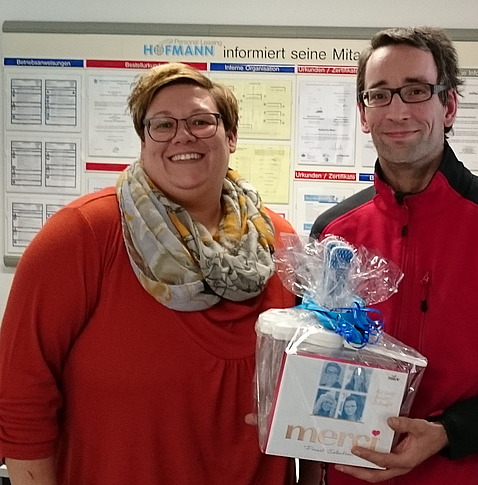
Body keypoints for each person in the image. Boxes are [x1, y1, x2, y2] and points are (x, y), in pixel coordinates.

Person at [0, 63, 320, 485]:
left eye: (201, 121)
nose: (182, 136)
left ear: (231, 136)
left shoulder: (277, 242)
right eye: (163, 124)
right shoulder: (83, 235)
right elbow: (21, 394)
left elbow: (306, 392)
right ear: (143, 142)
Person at [310, 27, 478, 485]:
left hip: (462, 473)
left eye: (416, 91)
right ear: (363, 113)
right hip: (348, 474)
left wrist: (449, 433)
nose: (397, 111)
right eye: (379, 95)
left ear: (448, 105)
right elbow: (314, 358)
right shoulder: (334, 232)